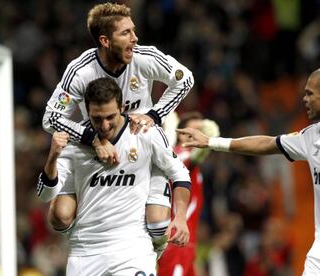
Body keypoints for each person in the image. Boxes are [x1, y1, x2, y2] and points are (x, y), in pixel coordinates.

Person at [42, 2, 194, 254]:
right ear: (105, 40)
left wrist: (155, 115)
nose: (135, 39)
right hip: (101, 145)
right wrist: (91, 137)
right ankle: (86, 240)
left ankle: (152, 255)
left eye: (133, 31)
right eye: (126, 33)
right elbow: (51, 118)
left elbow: (185, 79)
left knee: (157, 224)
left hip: (142, 141)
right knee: (61, 217)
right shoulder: (80, 71)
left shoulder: (144, 57)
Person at [37, 77, 191, 275]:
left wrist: (180, 217)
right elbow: (44, 195)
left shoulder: (145, 132)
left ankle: (157, 238)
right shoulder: (74, 143)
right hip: (85, 252)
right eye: (97, 118)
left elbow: (180, 174)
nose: (105, 125)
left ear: (122, 107)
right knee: (59, 214)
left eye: (110, 117)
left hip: (132, 247)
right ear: (87, 110)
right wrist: (53, 156)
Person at [177, 68, 320, 275]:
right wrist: (211, 142)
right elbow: (266, 144)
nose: (304, 99)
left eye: (310, 94)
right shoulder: (310, 136)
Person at [158, 112, 219, 276]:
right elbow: (196, 156)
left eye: (201, 130)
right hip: (176, 240)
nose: (197, 135)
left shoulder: (182, 160)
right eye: (192, 131)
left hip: (185, 240)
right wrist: (212, 136)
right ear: (180, 135)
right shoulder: (180, 156)